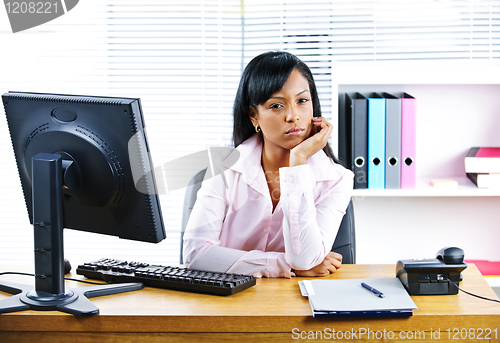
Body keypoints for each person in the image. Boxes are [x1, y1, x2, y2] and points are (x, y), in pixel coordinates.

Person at [183, 51, 353, 278]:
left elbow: (304, 257)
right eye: (276, 106)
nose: (293, 116)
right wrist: (283, 264)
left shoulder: (337, 179)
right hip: (226, 302)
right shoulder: (224, 169)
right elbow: (196, 255)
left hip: (295, 302)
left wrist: (298, 162)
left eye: (302, 101)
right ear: (254, 116)